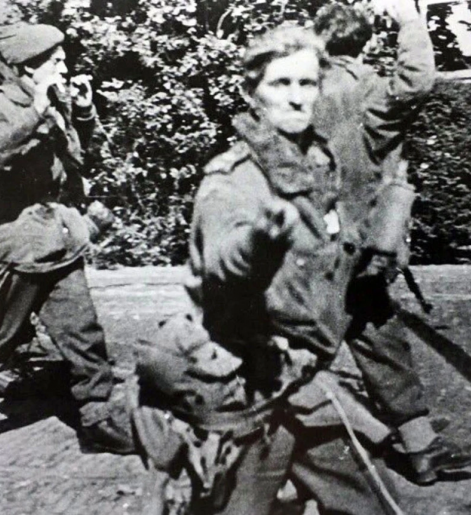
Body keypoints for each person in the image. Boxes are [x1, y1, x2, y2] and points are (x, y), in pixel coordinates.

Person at [133, 24, 404, 515]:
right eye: (281, 84)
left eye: (307, 83)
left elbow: (327, 251)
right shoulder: (233, 178)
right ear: (250, 92)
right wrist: (260, 241)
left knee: (373, 502)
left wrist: (375, 243)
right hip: (245, 390)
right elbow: (222, 262)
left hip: (303, 379)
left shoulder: (317, 163)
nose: (297, 98)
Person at [0, 24, 134, 455]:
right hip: (22, 241)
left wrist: (85, 114)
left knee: (83, 333)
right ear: (29, 68)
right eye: (56, 61)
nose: (65, 67)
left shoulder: (51, 101)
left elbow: (77, 159)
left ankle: (97, 419)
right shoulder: (4, 105)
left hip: (57, 235)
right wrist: (36, 111)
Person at [313, 1, 471, 485]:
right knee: (298, 362)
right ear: (364, 42)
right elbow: (416, 81)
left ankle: (421, 448)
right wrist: (410, 19)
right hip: (351, 246)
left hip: (318, 243)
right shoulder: (364, 87)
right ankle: (257, 467)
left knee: (380, 339)